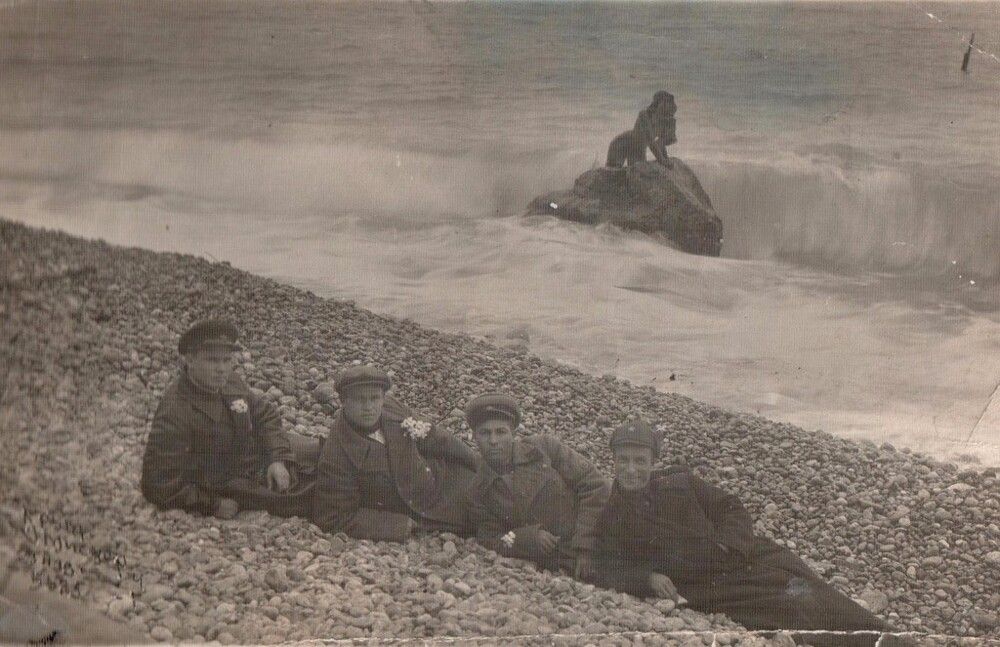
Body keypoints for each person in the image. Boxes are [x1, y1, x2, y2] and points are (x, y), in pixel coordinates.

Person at [593, 419, 895, 646]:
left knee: (816, 590)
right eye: (624, 460)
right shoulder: (612, 517)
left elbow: (731, 507)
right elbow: (604, 566)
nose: (631, 469)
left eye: (640, 461)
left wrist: (728, 544)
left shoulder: (680, 482)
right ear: (614, 461)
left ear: (652, 462)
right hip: (714, 585)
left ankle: (894, 640)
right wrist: (647, 578)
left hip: (746, 553)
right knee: (794, 607)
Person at [141, 319, 320, 520]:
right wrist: (212, 504)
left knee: (326, 451)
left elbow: (265, 414)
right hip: (231, 480)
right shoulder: (175, 411)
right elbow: (157, 484)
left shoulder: (229, 381)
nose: (222, 368)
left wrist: (278, 458)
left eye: (226, 360)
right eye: (213, 360)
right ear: (190, 359)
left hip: (258, 450)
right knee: (314, 495)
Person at [310, 365, 479, 541]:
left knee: (491, 483)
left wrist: (475, 461)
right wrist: (401, 525)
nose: (368, 407)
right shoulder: (336, 454)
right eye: (360, 399)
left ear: (383, 398)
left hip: (442, 475)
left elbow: (434, 436)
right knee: (487, 515)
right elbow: (333, 517)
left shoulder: (391, 408)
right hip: (423, 510)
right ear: (344, 401)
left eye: (375, 398)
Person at [466, 393, 610, 580]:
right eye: (484, 433)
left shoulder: (543, 449)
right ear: (474, 437)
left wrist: (585, 546)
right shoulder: (478, 490)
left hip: (599, 535)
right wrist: (528, 538)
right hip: (560, 564)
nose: (493, 441)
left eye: (501, 432)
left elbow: (594, 485)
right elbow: (491, 539)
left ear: (513, 434)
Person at [606, 91, 677, 169]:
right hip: (621, 144)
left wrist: (666, 159)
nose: (667, 105)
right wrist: (663, 161)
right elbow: (651, 142)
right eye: (664, 101)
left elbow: (661, 143)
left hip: (638, 148)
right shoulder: (644, 115)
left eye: (669, 102)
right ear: (657, 102)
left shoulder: (665, 121)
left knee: (636, 170)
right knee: (612, 171)